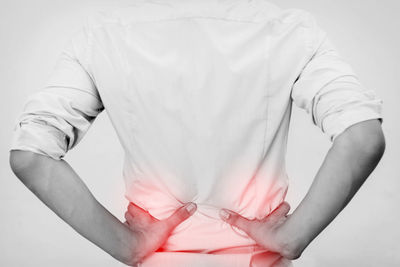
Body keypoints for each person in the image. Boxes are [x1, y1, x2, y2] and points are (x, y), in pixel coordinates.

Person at [9, 0, 385, 266]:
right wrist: (289, 239)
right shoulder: (290, 31)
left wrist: (127, 246)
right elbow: (362, 137)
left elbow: (31, 154)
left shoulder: (101, 36)